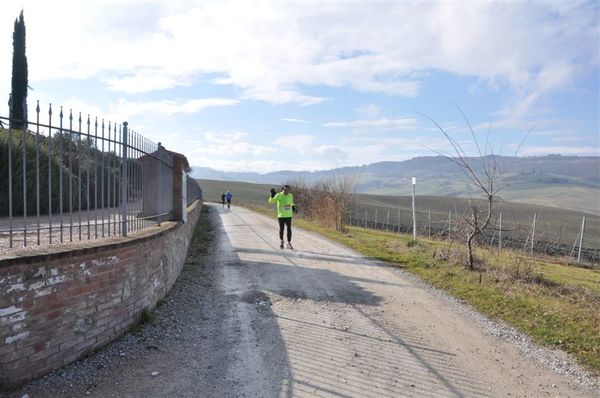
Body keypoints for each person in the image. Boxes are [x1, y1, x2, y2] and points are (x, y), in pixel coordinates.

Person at [268, 184, 296, 249]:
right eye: (285, 190)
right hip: (281, 215)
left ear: (289, 190)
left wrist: (293, 206)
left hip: (288, 215)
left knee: (289, 229)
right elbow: (271, 202)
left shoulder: (290, 195)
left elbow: (291, 202)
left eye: (288, 190)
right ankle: (281, 242)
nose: (286, 191)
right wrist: (272, 195)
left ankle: (288, 243)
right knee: (282, 229)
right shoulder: (279, 195)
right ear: (282, 189)